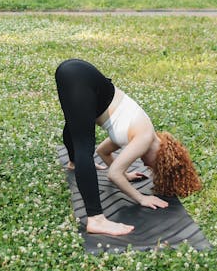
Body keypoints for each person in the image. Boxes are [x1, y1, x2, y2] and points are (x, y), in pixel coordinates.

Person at [55, 58, 201, 237]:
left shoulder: (139, 132)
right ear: (161, 158)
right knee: (84, 146)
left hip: (75, 72)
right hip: (79, 78)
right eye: (154, 166)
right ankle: (96, 219)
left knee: (75, 126)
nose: (147, 166)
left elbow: (103, 152)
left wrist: (125, 173)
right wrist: (141, 198)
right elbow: (113, 174)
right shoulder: (145, 137)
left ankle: (74, 163)